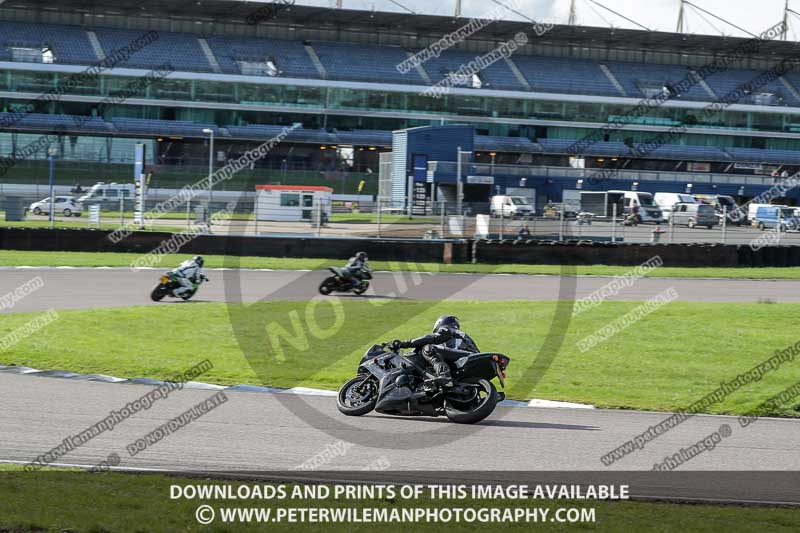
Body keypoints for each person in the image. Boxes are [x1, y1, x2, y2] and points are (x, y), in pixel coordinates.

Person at [391, 315, 479, 388]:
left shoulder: (448, 329)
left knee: (429, 348)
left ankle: (444, 376)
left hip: (466, 356)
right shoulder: (458, 336)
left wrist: (405, 344)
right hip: (471, 358)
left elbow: (431, 338)